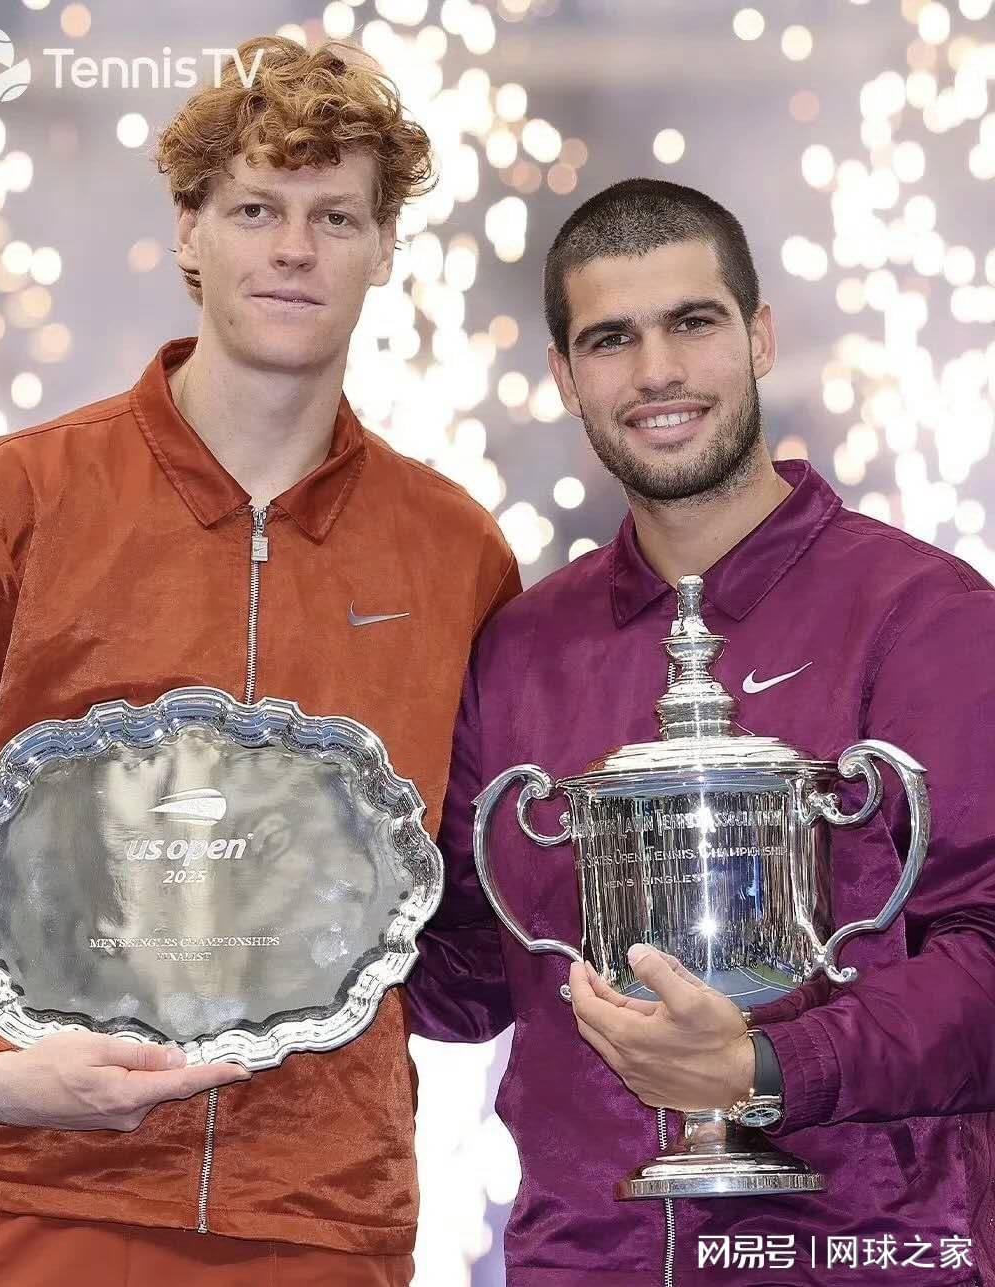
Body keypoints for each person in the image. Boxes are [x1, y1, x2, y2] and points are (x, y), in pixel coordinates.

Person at [0, 36, 518, 1287]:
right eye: (256, 209)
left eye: (335, 215)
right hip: (20, 1195)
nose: (295, 248)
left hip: (317, 1216)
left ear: (384, 248)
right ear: (189, 231)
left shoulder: (455, 551)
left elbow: (468, 906)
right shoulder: (9, 504)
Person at [408, 178, 995, 1286]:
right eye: (611, 339)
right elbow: (470, 978)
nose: (657, 372)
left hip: (862, 1258)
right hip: (587, 1261)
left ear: (759, 337)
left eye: (693, 323)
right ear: (565, 377)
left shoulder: (925, 615)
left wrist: (766, 1065)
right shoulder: (523, 646)